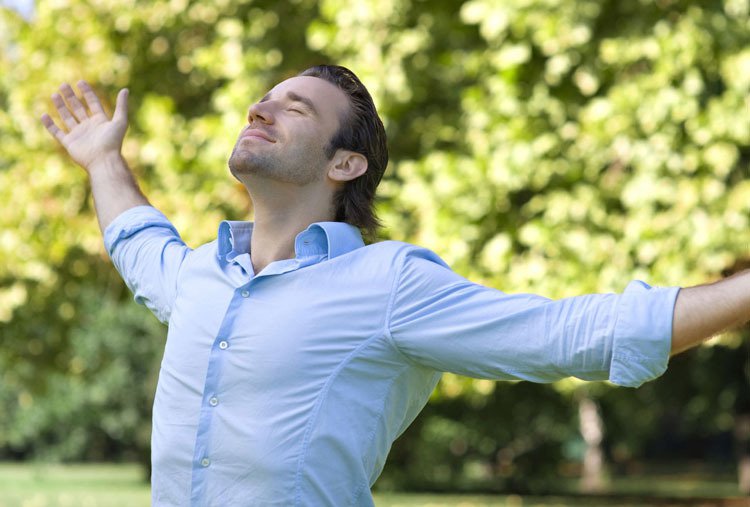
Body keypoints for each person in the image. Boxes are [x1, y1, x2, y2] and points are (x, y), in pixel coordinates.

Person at [41, 65, 748, 506]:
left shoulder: (389, 283)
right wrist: (104, 159)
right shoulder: (200, 272)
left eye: (295, 109)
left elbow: (568, 336)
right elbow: (140, 242)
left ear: (344, 163)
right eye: (265, 98)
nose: (259, 109)